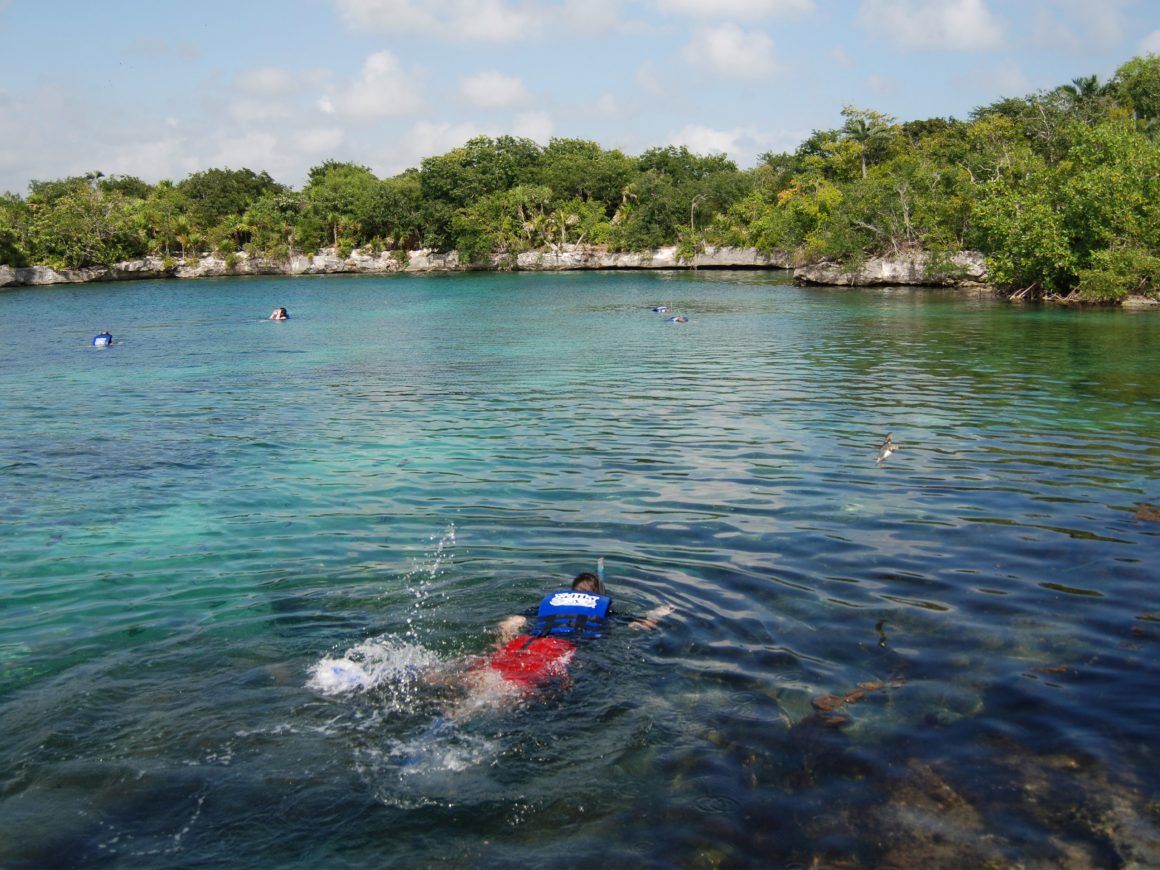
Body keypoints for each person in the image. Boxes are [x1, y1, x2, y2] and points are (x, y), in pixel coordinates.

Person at [466, 571, 673, 700]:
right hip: (557, 648)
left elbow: (512, 622)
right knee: (510, 690)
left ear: (571, 592)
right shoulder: (603, 610)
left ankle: (452, 700)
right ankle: (465, 713)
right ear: (598, 596)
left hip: (526, 641)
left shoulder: (550, 604)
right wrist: (658, 614)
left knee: (486, 672)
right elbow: (639, 626)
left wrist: (507, 632)